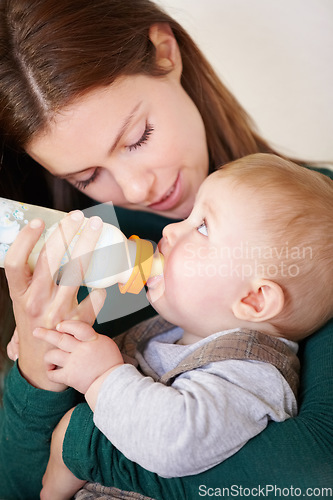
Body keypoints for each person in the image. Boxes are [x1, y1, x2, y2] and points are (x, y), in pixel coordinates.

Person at [0, 0, 332, 498]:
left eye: (138, 137)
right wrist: (34, 369)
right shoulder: (82, 252)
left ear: (165, 52)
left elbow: (312, 478)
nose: (135, 191)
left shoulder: (314, 244)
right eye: (87, 177)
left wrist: (84, 442)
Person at [30, 154, 333, 499]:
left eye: (202, 227)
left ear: (254, 301)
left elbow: (175, 440)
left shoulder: (249, 374)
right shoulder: (172, 330)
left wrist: (102, 377)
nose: (172, 229)